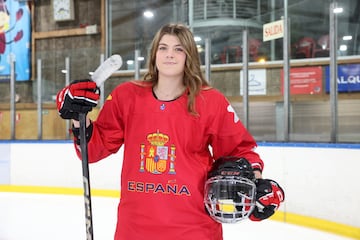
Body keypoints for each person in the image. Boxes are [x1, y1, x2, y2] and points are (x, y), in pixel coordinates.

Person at [56, 23, 284, 240]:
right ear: (154, 54)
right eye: (163, 48)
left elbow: (240, 149)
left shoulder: (210, 101)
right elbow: (94, 149)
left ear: (189, 57)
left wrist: (257, 184)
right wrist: (78, 117)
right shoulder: (127, 96)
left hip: (193, 229)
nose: (169, 54)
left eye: (178, 49)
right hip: (134, 229)